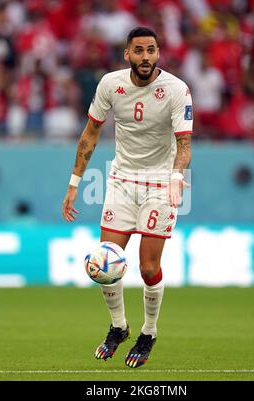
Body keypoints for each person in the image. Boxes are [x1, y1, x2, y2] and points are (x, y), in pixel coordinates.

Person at [62, 27, 193, 368]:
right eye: (139, 50)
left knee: (148, 267)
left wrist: (177, 178)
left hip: (159, 183)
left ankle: (148, 332)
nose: (146, 57)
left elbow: (184, 144)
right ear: (127, 55)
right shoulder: (110, 84)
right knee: (105, 263)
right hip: (121, 181)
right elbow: (90, 133)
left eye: (151, 50)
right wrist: (75, 182)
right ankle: (119, 327)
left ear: (158, 53)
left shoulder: (177, 90)